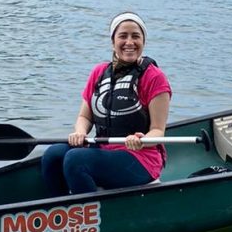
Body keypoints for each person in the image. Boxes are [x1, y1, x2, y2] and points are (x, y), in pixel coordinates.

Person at [41, 12, 172, 196]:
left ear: (143, 41)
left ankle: (87, 209)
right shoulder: (99, 72)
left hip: (141, 158)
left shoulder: (154, 77)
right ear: (113, 42)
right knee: (53, 155)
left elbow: (158, 131)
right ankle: (60, 207)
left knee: (75, 160)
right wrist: (80, 132)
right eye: (123, 36)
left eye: (136, 36)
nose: (129, 42)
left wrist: (142, 140)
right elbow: (84, 117)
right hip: (104, 148)